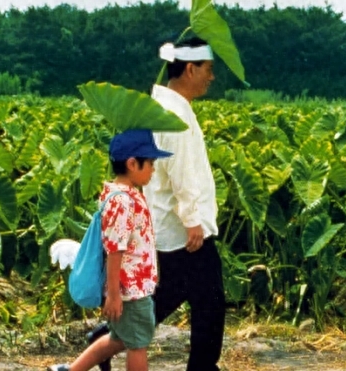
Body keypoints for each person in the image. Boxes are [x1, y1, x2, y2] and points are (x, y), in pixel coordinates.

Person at [89, 36, 226, 371]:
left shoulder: (165, 106)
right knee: (209, 303)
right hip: (182, 230)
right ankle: (200, 367)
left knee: (167, 299)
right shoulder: (173, 113)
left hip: (168, 226)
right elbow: (181, 172)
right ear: (190, 68)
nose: (211, 77)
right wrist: (193, 218)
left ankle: (104, 339)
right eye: (208, 69)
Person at [48, 129, 172, 371]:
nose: (153, 169)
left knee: (118, 339)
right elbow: (115, 250)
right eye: (150, 163)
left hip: (128, 288)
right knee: (138, 344)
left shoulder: (119, 194)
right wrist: (114, 295)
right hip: (130, 291)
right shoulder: (122, 201)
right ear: (132, 163)